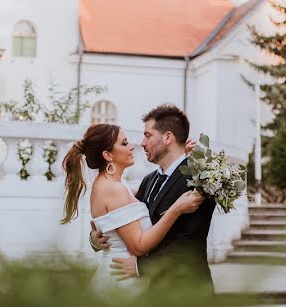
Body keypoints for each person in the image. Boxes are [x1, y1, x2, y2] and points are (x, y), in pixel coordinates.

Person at [61, 122, 204, 293]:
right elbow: (139, 246)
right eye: (124, 143)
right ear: (107, 155)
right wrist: (176, 209)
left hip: (122, 275)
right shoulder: (114, 189)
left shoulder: (114, 185)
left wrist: (184, 159)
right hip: (121, 279)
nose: (132, 147)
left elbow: (152, 202)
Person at [90, 104, 217, 294]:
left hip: (186, 291)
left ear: (167, 137)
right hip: (152, 293)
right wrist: (96, 238)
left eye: (148, 135)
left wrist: (141, 267)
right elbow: (127, 222)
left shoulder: (199, 178)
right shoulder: (149, 181)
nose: (141, 143)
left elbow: (188, 243)